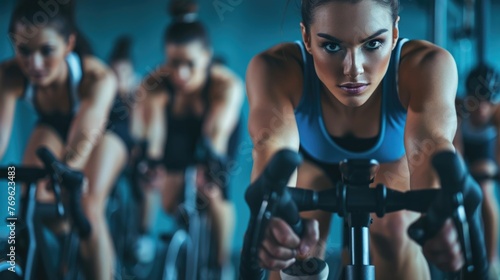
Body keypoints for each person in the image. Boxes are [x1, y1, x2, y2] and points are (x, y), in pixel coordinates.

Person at [246, 0, 472, 279]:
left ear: (395, 32)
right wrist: (273, 218)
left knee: (394, 227)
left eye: (373, 44)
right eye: (331, 46)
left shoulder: (426, 65)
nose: (353, 69)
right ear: (306, 37)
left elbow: (431, 147)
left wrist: (439, 215)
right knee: (295, 246)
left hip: (391, 165)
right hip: (312, 166)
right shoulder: (277, 68)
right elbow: (272, 150)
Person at [0, 1, 129, 279]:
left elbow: (82, 142)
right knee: (28, 200)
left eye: (46, 51)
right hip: (55, 124)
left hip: (105, 128)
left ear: (69, 44)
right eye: (23, 50)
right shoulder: (9, 75)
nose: (34, 64)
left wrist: (67, 175)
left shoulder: (96, 77)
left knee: (87, 204)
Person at [134, 0, 244, 266]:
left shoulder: (226, 84)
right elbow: (153, 136)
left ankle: (222, 261)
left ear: (207, 56)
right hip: (176, 135)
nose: (181, 74)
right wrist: (153, 164)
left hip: (217, 133)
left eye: (190, 64)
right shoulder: (154, 85)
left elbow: (215, 132)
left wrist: (211, 165)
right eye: (173, 63)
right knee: (169, 201)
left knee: (214, 192)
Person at [454, 63, 500, 278]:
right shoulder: (459, 107)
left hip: (485, 155)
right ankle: (457, 259)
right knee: (455, 195)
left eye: (487, 102)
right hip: (463, 154)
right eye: (477, 101)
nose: (481, 108)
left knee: (485, 192)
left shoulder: (498, 114)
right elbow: (455, 148)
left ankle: (490, 261)